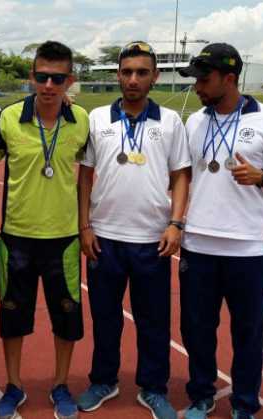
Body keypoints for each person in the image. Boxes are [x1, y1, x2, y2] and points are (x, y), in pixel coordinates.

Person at [177, 43, 263, 419]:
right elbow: (184, 178)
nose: (197, 86)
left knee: (247, 335)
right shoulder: (195, 122)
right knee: (197, 331)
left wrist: (261, 177)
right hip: (198, 245)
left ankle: (244, 404)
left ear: (230, 78)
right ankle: (201, 395)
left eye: (204, 79)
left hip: (250, 250)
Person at [76, 41, 191, 419]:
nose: (133, 79)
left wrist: (176, 223)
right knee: (105, 318)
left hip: (151, 240)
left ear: (155, 76)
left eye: (142, 72)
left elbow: (179, 177)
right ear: (118, 75)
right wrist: (84, 226)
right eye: (126, 72)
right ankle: (104, 380)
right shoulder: (96, 119)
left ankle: (154, 388)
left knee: (153, 321)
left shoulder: (171, 121)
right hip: (104, 238)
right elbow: (85, 178)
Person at [0, 41, 89, 419]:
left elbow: (90, 175)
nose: (49, 85)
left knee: (67, 318)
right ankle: (14, 386)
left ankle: (61, 385)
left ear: (70, 80)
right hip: (16, 238)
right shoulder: (9, 118)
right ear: (32, 77)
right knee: (13, 317)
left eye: (57, 78)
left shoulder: (82, 123)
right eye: (42, 76)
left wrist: (85, 225)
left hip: (63, 240)